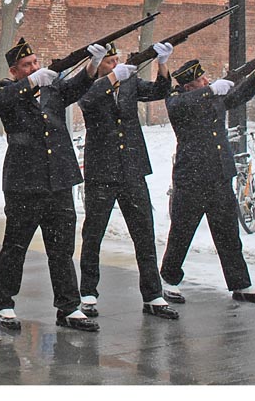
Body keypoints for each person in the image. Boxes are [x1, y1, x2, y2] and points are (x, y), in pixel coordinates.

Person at [0, 38, 104, 333]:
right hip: (25, 184)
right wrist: (33, 82)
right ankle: (4, 302)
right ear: (15, 71)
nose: (34, 68)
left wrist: (92, 65)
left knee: (62, 249)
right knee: (15, 247)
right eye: (27, 65)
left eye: (36, 63)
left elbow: (76, 87)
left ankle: (68, 306)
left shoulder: (52, 90)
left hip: (58, 181)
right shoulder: (7, 91)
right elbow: (2, 102)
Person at [159, 55, 255, 305]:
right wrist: (210, 90)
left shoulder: (211, 98)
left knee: (228, 233)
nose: (207, 80)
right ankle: (168, 280)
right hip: (192, 178)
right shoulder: (178, 101)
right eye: (201, 79)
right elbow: (182, 105)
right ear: (189, 86)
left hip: (218, 175)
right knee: (182, 232)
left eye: (206, 78)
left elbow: (238, 96)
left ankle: (241, 284)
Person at [76, 42, 179, 320]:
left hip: (132, 168)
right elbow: (87, 101)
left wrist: (162, 64)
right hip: (102, 170)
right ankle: (87, 292)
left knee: (144, 233)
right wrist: (112, 77)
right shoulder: (89, 86)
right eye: (109, 62)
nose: (115, 66)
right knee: (93, 234)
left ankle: (153, 294)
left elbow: (159, 91)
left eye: (116, 61)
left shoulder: (130, 84)